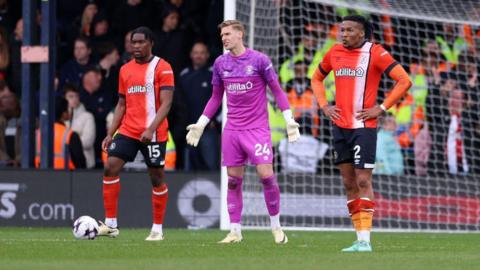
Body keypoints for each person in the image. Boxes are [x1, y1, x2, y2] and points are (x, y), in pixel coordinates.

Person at [186, 20, 300, 244]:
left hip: (257, 129)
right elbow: (216, 96)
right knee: (233, 181)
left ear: (240, 34)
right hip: (232, 131)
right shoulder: (220, 63)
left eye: (228, 34)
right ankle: (235, 231)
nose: (224, 38)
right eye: (222, 35)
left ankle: (276, 227)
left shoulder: (259, 60)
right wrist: (201, 123)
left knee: (266, 176)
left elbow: (277, 90)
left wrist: (289, 119)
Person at [311, 15, 411, 252]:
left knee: (363, 179)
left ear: (362, 33)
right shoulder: (334, 52)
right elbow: (316, 78)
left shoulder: (375, 52)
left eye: (349, 30)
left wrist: (382, 108)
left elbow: (404, 80)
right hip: (339, 126)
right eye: (342, 30)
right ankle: (358, 237)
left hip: (363, 127)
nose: (343, 34)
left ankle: (365, 241)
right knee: (348, 182)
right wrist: (325, 105)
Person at [99, 27, 174, 241]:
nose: (137, 47)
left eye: (141, 42)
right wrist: (110, 133)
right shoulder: (125, 70)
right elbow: (121, 104)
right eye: (134, 43)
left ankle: (157, 229)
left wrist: (151, 128)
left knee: (156, 178)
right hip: (129, 130)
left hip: (154, 132)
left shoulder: (163, 67)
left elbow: (167, 103)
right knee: (110, 166)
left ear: (151, 42)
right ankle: (111, 224)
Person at [179, 42, 220, 171]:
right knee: (187, 167)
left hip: (208, 129)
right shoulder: (183, 75)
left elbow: (223, 99)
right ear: (191, 55)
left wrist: (216, 120)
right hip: (188, 130)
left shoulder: (214, 74)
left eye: (202, 53)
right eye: (196, 53)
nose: (199, 56)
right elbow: (178, 103)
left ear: (207, 55)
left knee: (211, 166)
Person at [35, 97, 86, 169]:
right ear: (64, 114)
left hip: (39, 177)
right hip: (67, 177)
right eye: (68, 109)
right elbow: (81, 165)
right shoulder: (71, 135)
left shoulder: (38, 133)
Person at [64, 83, 96, 169]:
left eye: (76, 96)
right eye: (70, 96)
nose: (74, 99)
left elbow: (88, 141)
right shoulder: (62, 118)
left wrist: (67, 143)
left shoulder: (88, 116)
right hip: (65, 165)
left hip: (86, 165)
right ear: (64, 98)